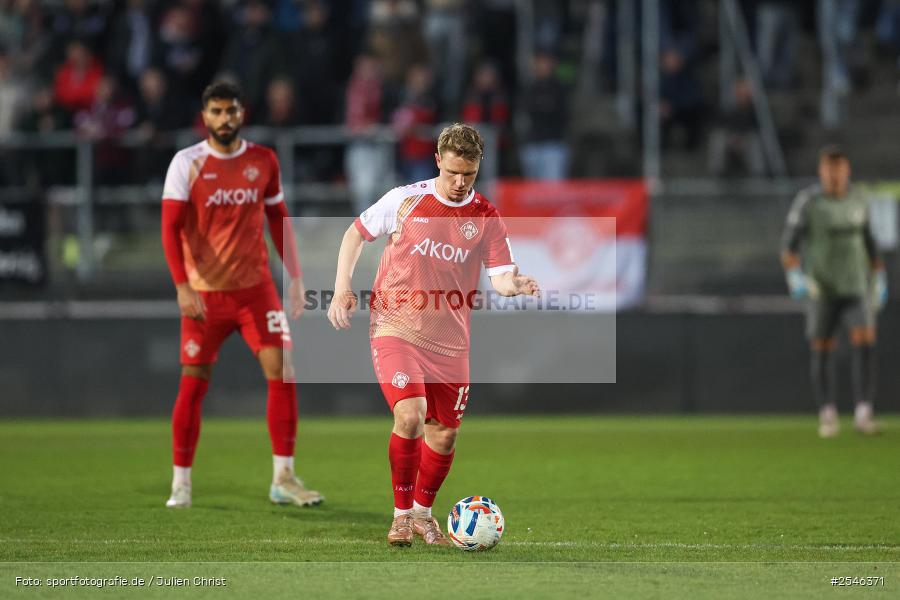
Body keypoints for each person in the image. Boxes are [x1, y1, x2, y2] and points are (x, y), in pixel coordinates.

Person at [327, 123, 540, 546]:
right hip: (396, 325)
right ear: (438, 161)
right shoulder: (404, 200)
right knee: (409, 416)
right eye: (454, 173)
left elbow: (499, 277)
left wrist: (515, 286)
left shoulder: (486, 217)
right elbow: (355, 233)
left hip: (451, 339)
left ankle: (424, 516)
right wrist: (341, 288)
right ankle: (400, 517)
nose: (460, 184)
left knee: (443, 433)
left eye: (470, 175)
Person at [160, 81, 322, 508]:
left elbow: (277, 217)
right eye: (216, 111)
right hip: (204, 295)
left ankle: (283, 477)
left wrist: (296, 277)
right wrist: (180, 285)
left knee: (283, 369)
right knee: (193, 384)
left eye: (231, 110)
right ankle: (181, 482)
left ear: (241, 113)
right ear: (205, 116)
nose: (224, 118)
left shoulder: (262, 160)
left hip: (256, 292)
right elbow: (169, 228)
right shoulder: (186, 163)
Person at [781, 145, 887, 438]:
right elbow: (788, 246)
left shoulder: (859, 198)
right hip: (823, 289)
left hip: (857, 286)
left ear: (847, 170)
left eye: (839, 168)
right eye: (829, 168)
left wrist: (879, 277)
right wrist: (795, 277)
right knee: (823, 347)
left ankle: (864, 412)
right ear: (821, 171)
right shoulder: (809, 201)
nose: (835, 174)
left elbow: (871, 242)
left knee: (865, 341)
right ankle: (827, 413)